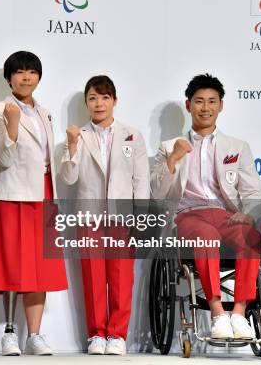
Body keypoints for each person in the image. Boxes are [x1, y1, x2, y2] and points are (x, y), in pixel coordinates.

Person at [150, 73, 261, 340]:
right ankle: (216, 312)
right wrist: (174, 159)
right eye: (199, 101)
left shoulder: (237, 146)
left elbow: (253, 190)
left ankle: (238, 312)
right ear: (188, 105)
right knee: (206, 238)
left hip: (227, 215)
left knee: (252, 236)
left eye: (212, 101)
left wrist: (248, 213)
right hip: (190, 215)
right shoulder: (169, 147)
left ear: (221, 106)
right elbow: (156, 193)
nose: (206, 107)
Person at [0, 51, 67, 356]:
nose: (26, 77)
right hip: (13, 194)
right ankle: (8, 331)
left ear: (39, 77)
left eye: (32, 72)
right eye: (19, 72)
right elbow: (2, 158)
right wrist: (13, 124)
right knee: (12, 264)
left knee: (40, 268)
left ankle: (35, 334)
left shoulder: (45, 113)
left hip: (43, 193)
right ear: (9, 78)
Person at [60, 75, 150, 355]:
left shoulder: (132, 135)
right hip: (88, 216)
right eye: (93, 98)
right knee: (93, 276)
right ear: (86, 102)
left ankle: (118, 335)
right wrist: (72, 145)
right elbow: (69, 176)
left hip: (122, 217)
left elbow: (141, 180)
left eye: (104, 97)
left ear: (115, 100)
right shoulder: (78, 135)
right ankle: (97, 334)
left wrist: (142, 217)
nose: (99, 104)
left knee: (122, 278)